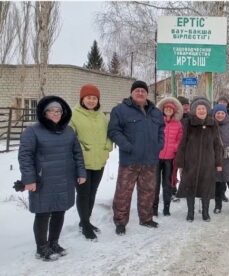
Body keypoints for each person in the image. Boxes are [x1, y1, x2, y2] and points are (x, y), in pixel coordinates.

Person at [19, 96, 86, 261]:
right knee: (43, 214)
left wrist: (81, 173)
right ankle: (41, 248)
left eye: (59, 111)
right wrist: (29, 179)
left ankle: (54, 242)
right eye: (51, 110)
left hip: (64, 179)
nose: (56, 113)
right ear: (44, 112)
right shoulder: (32, 131)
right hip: (43, 181)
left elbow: (77, 154)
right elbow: (25, 156)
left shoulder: (68, 131)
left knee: (59, 211)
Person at [108, 80, 165, 235]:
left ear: (147, 93)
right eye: (137, 90)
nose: (140, 93)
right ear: (132, 93)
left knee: (148, 191)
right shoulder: (120, 110)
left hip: (150, 159)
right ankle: (120, 222)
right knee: (123, 192)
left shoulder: (155, 112)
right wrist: (127, 146)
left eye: (143, 91)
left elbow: (161, 130)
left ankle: (146, 218)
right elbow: (114, 131)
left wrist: (159, 145)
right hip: (130, 160)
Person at [70, 84, 112, 240]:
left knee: (92, 193)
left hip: (99, 161)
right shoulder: (73, 115)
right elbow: (70, 137)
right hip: (82, 163)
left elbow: (109, 135)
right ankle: (85, 224)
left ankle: (85, 221)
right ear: (82, 98)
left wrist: (106, 148)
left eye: (94, 98)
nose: (91, 101)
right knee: (83, 194)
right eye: (88, 98)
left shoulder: (102, 117)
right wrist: (82, 149)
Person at [175, 97, 223, 222]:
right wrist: (180, 162)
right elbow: (182, 143)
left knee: (206, 188)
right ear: (194, 110)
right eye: (199, 108)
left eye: (203, 108)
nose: (201, 111)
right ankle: (190, 213)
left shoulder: (213, 124)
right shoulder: (188, 123)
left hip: (208, 163)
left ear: (207, 110)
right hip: (191, 162)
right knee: (190, 187)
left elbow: (217, 145)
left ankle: (205, 213)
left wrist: (218, 162)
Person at [153, 97, 183, 217]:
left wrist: (175, 147)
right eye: (166, 108)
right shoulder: (157, 121)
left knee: (167, 184)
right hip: (157, 157)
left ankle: (166, 208)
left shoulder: (178, 124)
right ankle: (154, 208)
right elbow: (152, 136)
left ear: (174, 111)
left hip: (170, 159)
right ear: (163, 109)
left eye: (171, 109)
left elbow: (180, 139)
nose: (168, 110)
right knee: (155, 184)